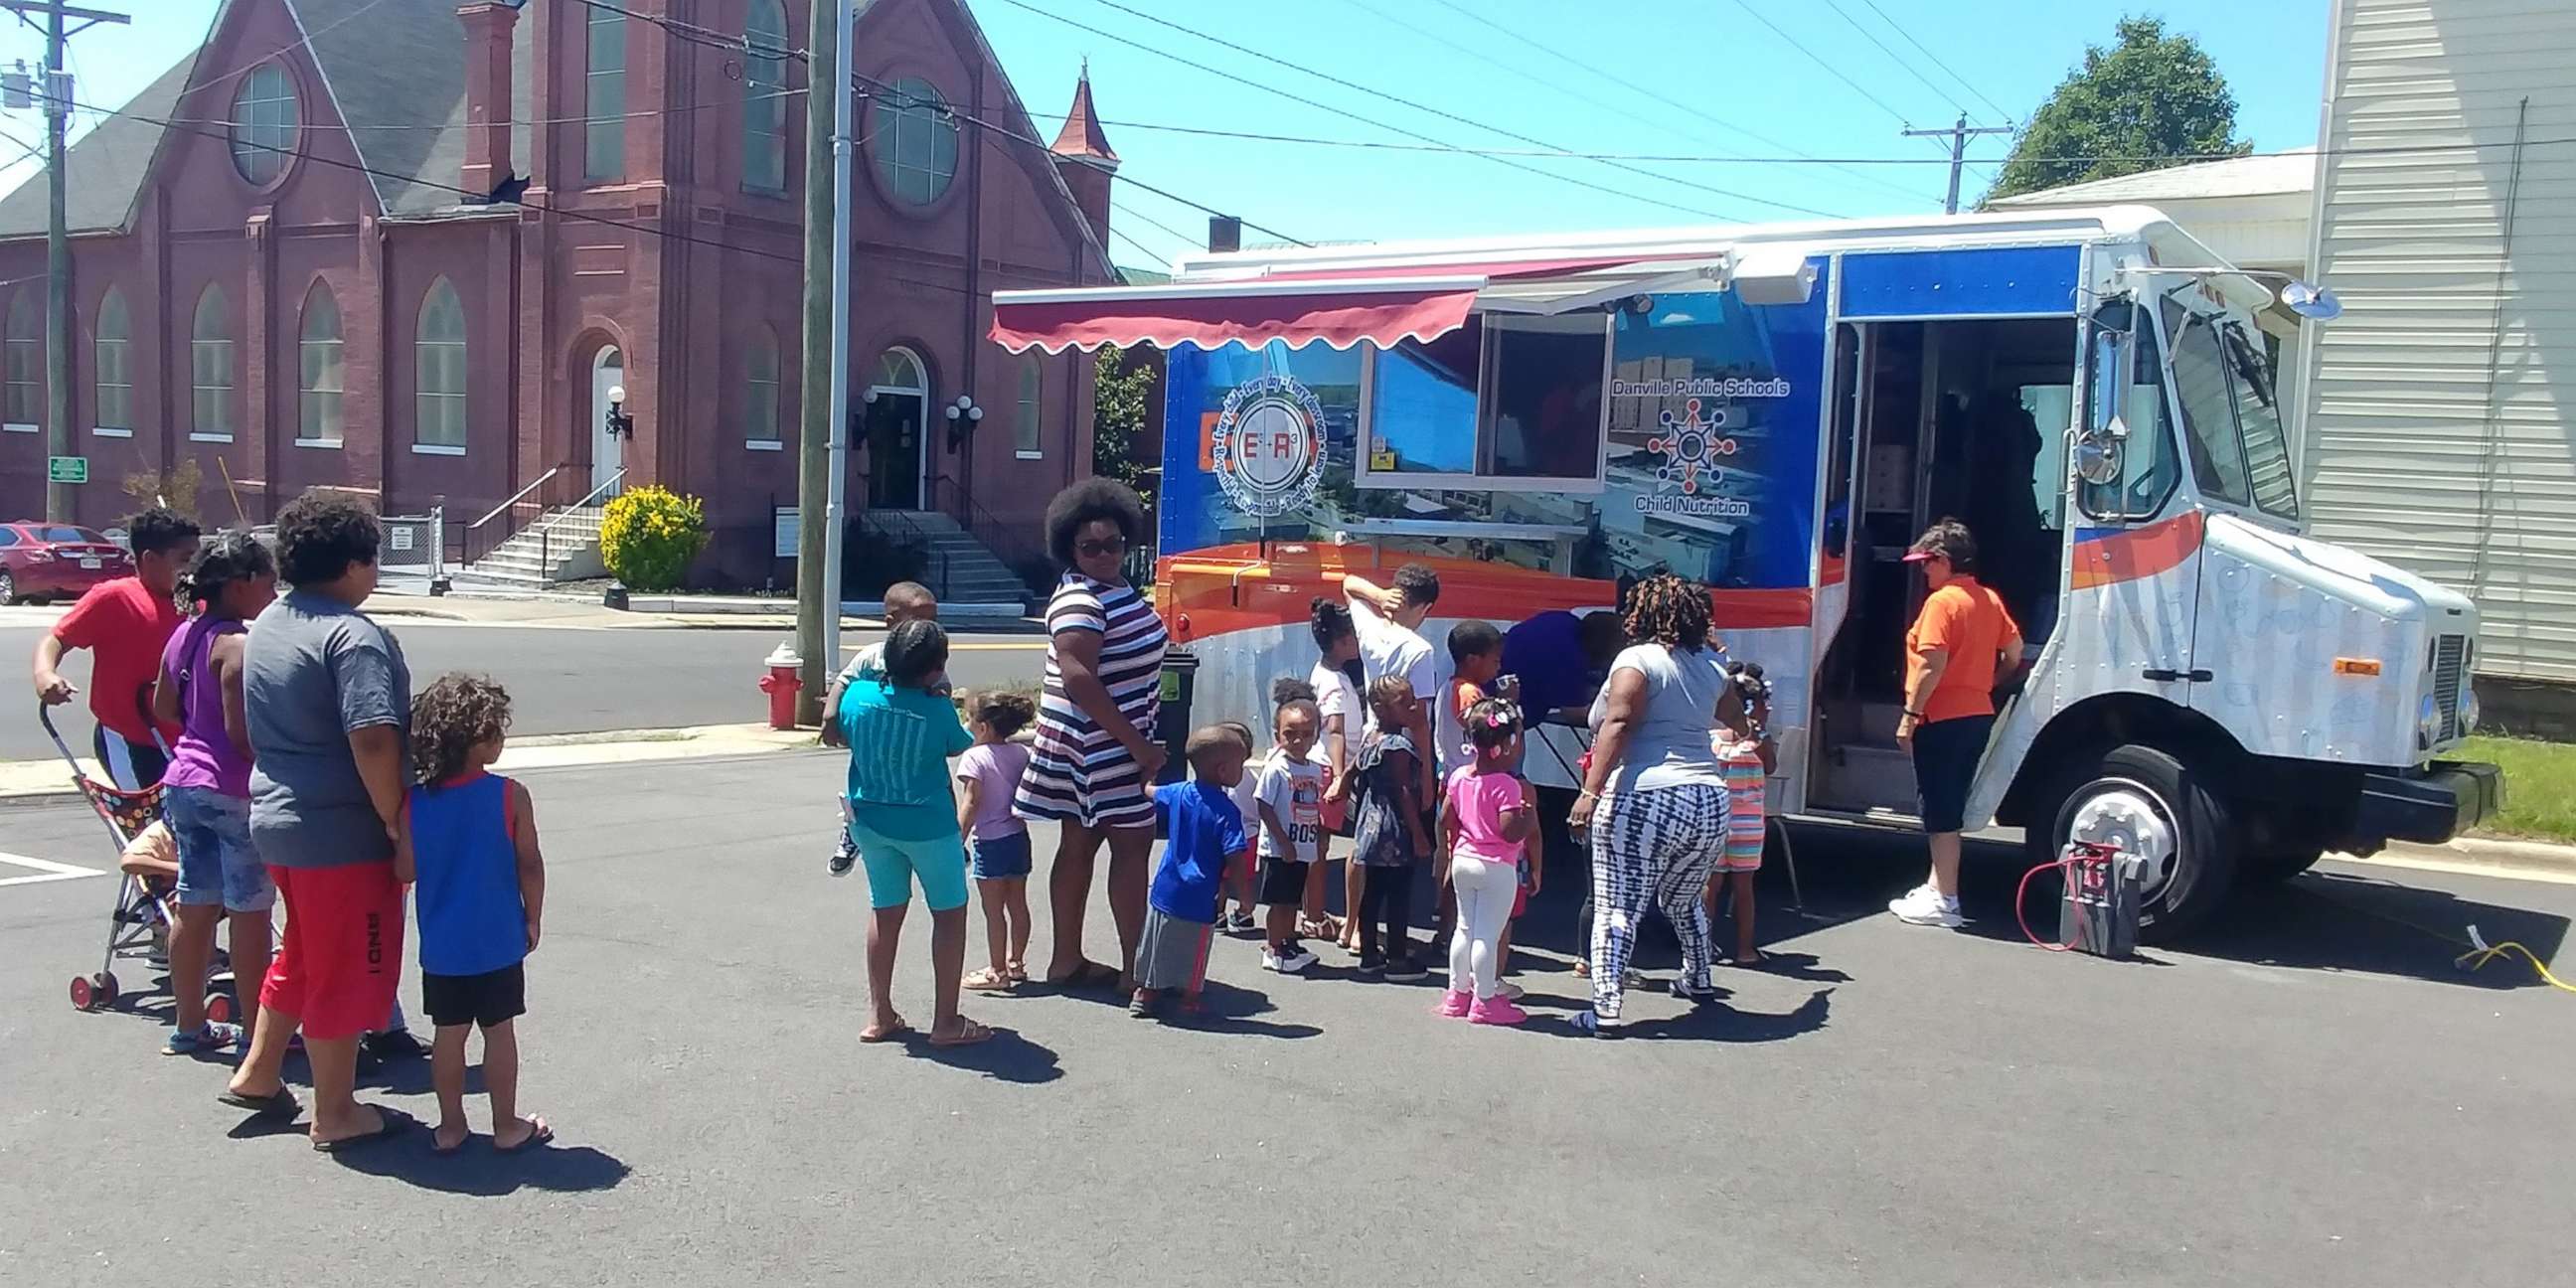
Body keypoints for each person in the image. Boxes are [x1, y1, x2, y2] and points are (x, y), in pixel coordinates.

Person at [221, 493, 414, 1149]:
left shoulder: (271, 622)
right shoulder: (352, 636)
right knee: (350, 964)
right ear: (354, 564)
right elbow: (373, 738)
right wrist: (395, 821)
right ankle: (335, 1111)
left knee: (303, 950)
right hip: (340, 833)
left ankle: (259, 1068)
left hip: (277, 817)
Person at [1568, 574, 1746, 1036]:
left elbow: (1618, 722)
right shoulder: (1712, 666)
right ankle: (1699, 977)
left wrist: (1590, 791)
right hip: (1708, 798)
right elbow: (1736, 721)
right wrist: (1718, 660)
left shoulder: (1636, 660)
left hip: (1644, 793)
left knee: (1616, 906)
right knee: (1683, 899)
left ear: (1641, 616)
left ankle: (1605, 1008)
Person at [1016, 480, 1167, 991]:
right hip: (1097, 743)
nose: (1105, 553)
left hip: (1113, 739)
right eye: (1091, 547)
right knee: (1132, 842)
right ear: (1070, 549)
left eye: (1114, 543)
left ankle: (1068, 960)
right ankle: (1135, 970)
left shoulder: (1117, 587)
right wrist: (1138, 745)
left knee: (1080, 841)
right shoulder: (1079, 599)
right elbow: (1079, 678)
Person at [398, 674, 551, 1155]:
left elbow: (406, 868)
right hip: (499, 938)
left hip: (443, 946)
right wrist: (533, 917)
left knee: (449, 1036)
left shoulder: (415, 802)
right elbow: (530, 862)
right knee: (499, 1031)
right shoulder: (509, 795)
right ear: (480, 739)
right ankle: (507, 1125)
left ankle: (450, 1126)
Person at [151, 531, 278, 1056]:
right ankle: (256, 1035)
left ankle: (188, 1026)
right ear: (242, 584)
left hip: (182, 783)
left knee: (194, 904)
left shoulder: (183, 635)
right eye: (268, 582)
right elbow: (240, 735)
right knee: (250, 912)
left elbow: (162, 707)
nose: (274, 592)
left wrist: (194, 731)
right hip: (231, 791)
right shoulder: (237, 646)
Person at [841, 619, 988, 1046]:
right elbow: (958, 744)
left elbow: (845, 723)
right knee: (948, 915)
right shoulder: (936, 708)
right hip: (928, 826)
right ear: (934, 669)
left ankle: (880, 1012)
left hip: (870, 820)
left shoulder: (858, 697)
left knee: (885, 911)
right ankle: (945, 1021)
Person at [1887, 519, 2024, 929]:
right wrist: (1985, 683)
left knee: (1939, 807)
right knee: (1951, 801)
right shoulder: (1988, 599)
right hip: (1977, 712)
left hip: (1941, 716)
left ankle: (1946, 899)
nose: (1923, 571)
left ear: (1944, 561)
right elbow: (2014, 653)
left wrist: (1910, 716)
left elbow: (1931, 662)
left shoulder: (1942, 603)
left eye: (1927, 563)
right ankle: (1936, 888)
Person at [31, 507, 200, 790]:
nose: (195, 568)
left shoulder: (198, 602)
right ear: (150, 559)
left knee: (186, 825)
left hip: (186, 739)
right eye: (186, 559)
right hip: (129, 738)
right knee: (147, 823)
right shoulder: (115, 598)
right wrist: (44, 674)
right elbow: (57, 638)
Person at [1131, 726, 1252, 1020]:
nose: (1243, 770)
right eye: (1241, 764)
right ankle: (1190, 997)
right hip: (1200, 894)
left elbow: (1147, 791)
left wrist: (1148, 771)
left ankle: (1144, 993)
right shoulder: (1227, 811)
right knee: (1196, 946)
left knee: (1156, 940)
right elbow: (1235, 857)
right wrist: (1246, 897)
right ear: (1223, 770)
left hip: (1165, 886)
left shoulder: (1178, 791)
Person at [824, 581, 937, 878]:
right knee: (862, 783)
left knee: (936, 784)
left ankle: (947, 831)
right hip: (876, 738)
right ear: (891, 623)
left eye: (932, 620)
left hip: (913, 738)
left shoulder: (931, 655)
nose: (927, 628)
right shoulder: (872, 655)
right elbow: (843, 681)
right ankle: (852, 834)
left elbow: (942, 687)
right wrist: (830, 715)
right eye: (918, 620)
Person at [1437, 698, 1532, 1026]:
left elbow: (1446, 817)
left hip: (1464, 858)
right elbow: (1509, 833)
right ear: (1506, 745)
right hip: (1497, 867)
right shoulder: (1507, 785)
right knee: (1487, 935)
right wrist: (1526, 817)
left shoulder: (1460, 776)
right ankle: (1486, 999)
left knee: (1464, 928)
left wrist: (1448, 848)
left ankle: (1456, 994)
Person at [1332, 676, 1430, 978]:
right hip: (1395, 829)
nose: (1413, 706)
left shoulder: (1371, 738)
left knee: (1372, 892)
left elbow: (1353, 768)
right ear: (1380, 708)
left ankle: (1370, 954)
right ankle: (1398, 959)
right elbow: (1403, 792)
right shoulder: (1398, 745)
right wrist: (1418, 835)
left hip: (1370, 826)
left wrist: (1342, 785)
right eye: (1404, 702)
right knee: (1399, 893)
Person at [956, 690, 1038, 993]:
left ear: (983, 727)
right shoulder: (1020, 754)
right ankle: (1016, 962)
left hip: (989, 840)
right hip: (1018, 836)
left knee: (994, 911)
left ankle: (997, 970)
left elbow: (972, 802)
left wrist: (957, 838)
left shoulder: (974, 757)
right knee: (1018, 903)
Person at [1339, 566, 1441, 797]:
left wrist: (1379, 596)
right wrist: (1426, 776)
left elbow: (1349, 583)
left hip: (1371, 747)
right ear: (1425, 608)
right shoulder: (1420, 650)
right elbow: (1419, 721)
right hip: (1406, 757)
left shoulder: (1369, 630)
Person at [1708, 663, 1777, 966]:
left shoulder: (1713, 737)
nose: (1769, 708)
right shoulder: (1759, 740)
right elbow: (1771, 767)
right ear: (1753, 706)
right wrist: (1758, 737)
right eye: (1765, 703)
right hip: (1748, 822)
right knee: (1744, 888)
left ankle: (1702, 946)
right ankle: (1745, 950)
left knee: (1710, 886)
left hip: (1715, 818)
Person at [1306, 600, 1366, 951]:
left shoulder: (1326, 672)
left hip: (1325, 766)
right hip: (1330, 768)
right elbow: (1337, 731)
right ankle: (1314, 916)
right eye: (1354, 637)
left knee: (1317, 845)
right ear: (1341, 642)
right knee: (1319, 845)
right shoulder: (1336, 684)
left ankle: (1314, 912)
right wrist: (1342, 776)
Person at [1252, 695, 1326, 974]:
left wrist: (1317, 835)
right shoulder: (1276, 768)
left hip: (1303, 844)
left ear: (1315, 736)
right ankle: (1273, 948)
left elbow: (1311, 805)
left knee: (1293, 899)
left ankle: (1288, 940)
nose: (1298, 741)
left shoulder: (1314, 770)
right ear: (1277, 735)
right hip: (1280, 849)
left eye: (1306, 734)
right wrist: (1283, 841)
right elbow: (1264, 805)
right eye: (1290, 734)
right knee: (1279, 901)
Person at [1215, 720, 1261, 935]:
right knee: (1245, 878)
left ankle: (1217, 914)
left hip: (1227, 836)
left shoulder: (1223, 779)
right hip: (1251, 835)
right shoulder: (1253, 777)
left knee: (1220, 877)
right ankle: (1245, 913)